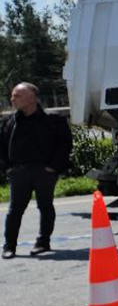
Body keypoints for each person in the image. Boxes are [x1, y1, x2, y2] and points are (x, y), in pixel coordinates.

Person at [2, 83, 73, 259]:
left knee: (45, 206)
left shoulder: (53, 120)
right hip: (19, 172)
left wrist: (52, 167)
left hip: (45, 171)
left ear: (32, 98)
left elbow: (64, 145)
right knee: (15, 209)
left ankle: (43, 243)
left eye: (17, 96)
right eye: (12, 96)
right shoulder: (10, 121)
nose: (13, 99)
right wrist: (8, 168)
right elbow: (1, 147)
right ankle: (9, 246)